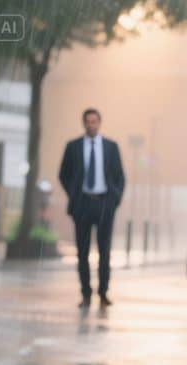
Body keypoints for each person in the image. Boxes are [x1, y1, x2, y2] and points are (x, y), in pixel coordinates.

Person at [58, 108, 125, 309]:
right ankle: (85, 294)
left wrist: (115, 199)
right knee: (83, 252)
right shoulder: (73, 146)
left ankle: (103, 293)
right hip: (83, 204)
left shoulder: (111, 147)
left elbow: (120, 176)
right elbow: (64, 174)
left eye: (94, 121)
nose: (91, 124)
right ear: (84, 123)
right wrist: (74, 195)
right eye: (88, 121)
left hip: (105, 203)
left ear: (100, 122)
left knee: (104, 252)